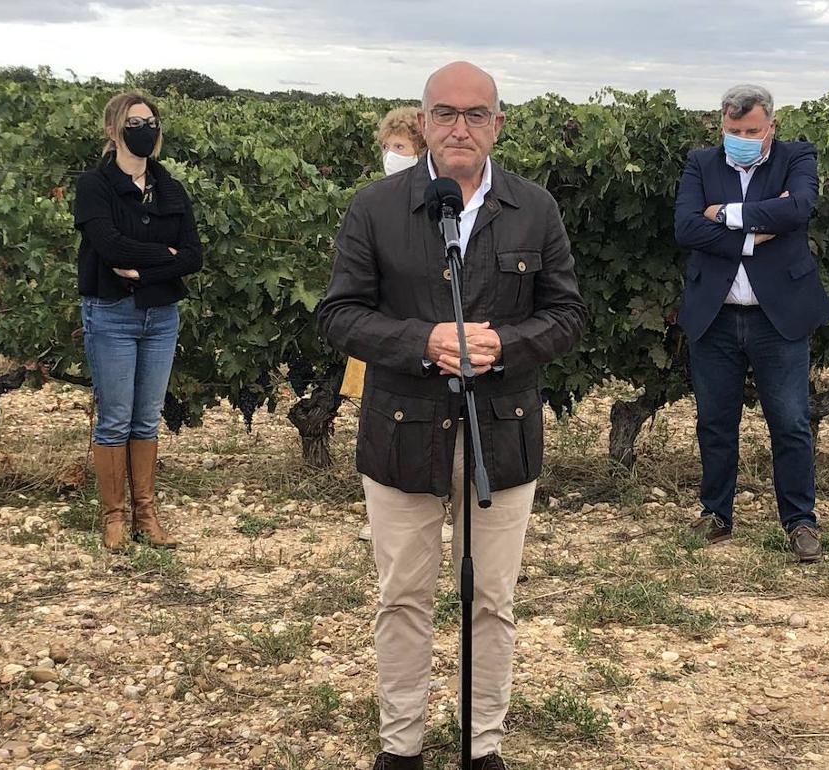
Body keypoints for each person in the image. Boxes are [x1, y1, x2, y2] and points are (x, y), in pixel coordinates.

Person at [318, 61, 586, 770]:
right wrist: (419, 341)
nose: (459, 127)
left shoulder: (536, 208)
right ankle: (400, 747)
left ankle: (482, 744)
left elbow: (567, 316)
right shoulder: (374, 207)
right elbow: (340, 315)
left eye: (475, 114)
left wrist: (505, 345)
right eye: (445, 113)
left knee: (492, 600)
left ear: (499, 124)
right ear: (422, 121)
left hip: (503, 434)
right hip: (402, 433)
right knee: (403, 597)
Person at [673, 83, 829, 562]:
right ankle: (716, 515)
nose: (740, 137)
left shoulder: (796, 157)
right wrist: (754, 236)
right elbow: (685, 227)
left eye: (751, 130)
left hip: (777, 316)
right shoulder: (701, 163)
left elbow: (799, 208)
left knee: (790, 423)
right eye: (732, 129)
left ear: (771, 127)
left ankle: (801, 521)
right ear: (720, 124)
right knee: (714, 422)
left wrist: (725, 214)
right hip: (716, 315)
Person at [74, 92, 203, 551]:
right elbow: (108, 247)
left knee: (146, 419)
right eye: (134, 122)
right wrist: (162, 255)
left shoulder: (169, 186)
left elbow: (193, 256)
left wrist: (148, 267)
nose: (143, 129)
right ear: (113, 129)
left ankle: (145, 513)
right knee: (114, 419)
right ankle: (113, 516)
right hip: (111, 312)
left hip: (160, 315)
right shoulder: (94, 185)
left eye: (150, 121)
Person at [346, 107, 452, 545]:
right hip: (385, 342)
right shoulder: (374, 204)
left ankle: (441, 506)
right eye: (387, 148)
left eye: (401, 148)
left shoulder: (443, 207)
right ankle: (387, 508)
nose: (392, 155)